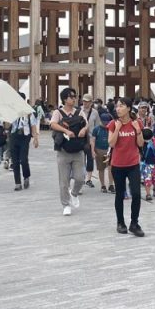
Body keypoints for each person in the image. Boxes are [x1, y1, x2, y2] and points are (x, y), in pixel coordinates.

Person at [109, 98, 145, 236]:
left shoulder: (137, 123)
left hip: (133, 164)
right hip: (117, 165)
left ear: (129, 108)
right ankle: (120, 222)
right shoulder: (113, 123)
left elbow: (140, 144)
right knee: (120, 194)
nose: (118, 109)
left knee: (136, 194)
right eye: (117, 106)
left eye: (121, 106)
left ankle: (134, 223)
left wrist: (138, 130)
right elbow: (111, 143)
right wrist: (118, 129)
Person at [50, 87, 89, 216]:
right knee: (64, 181)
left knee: (80, 178)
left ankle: (74, 193)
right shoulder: (58, 112)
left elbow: (86, 124)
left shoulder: (79, 111)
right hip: (63, 150)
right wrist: (66, 130)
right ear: (65, 99)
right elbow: (53, 124)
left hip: (78, 149)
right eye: (71, 96)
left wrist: (84, 129)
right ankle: (66, 205)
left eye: (75, 96)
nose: (74, 99)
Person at [9, 95, 39, 191]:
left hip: (25, 137)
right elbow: (7, 125)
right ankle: (17, 183)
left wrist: (35, 138)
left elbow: (33, 125)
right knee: (15, 161)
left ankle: (26, 176)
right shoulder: (11, 111)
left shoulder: (28, 111)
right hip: (14, 136)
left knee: (23, 159)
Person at [140, 128, 155, 201]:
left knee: (153, 179)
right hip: (149, 164)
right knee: (148, 179)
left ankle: (154, 188)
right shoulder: (153, 141)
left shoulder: (152, 141)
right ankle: (148, 194)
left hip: (151, 164)